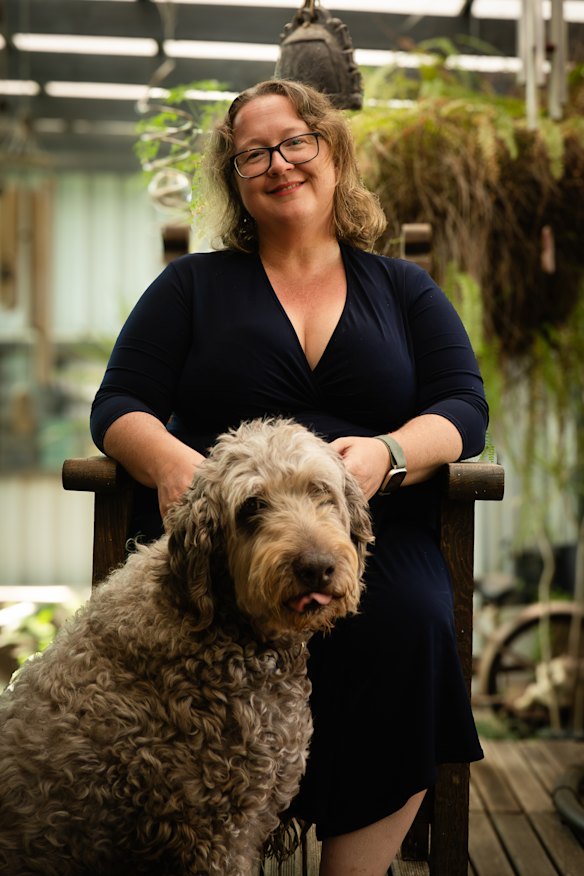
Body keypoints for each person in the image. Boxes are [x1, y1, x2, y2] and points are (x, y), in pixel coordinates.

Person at [90, 78, 488, 875]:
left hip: (358, 533)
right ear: (237, 181)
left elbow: (463, 405)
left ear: (332, 153)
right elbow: (119, 404)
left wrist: (391, 452)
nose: (279, 163)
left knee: (409, 616)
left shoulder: (405, 289)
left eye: (295, 142)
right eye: (254, 154)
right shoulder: (190, 288)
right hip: (228, 539)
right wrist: (174, 464)